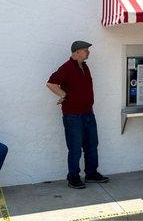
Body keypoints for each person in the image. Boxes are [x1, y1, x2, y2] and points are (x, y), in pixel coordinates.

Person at [46, 41, 109, 189]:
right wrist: (64, 95)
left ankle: (91, 174)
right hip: (73, 116)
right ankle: (73, 177)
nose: (88, 52)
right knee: (75, 148)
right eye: (85, 50)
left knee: (92, 145)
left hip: (88, 113)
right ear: (76, 52)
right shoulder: (66, 68)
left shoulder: (85, 67)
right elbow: (51, 83)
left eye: (87, 50)